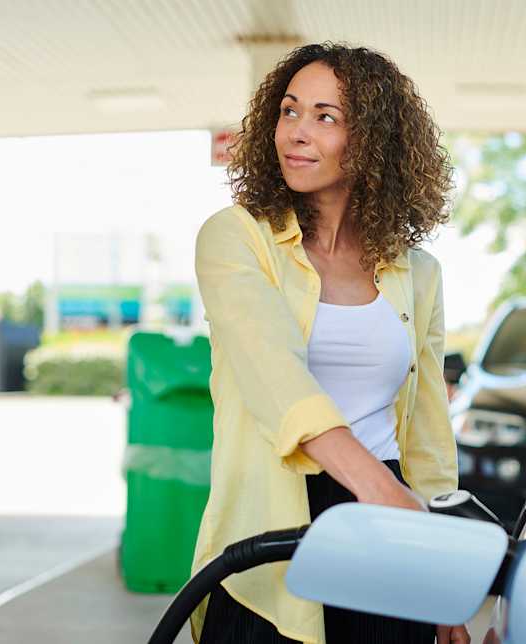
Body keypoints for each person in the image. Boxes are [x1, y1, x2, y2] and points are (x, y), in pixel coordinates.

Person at [190, 43, 468, 644]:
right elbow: (273, 373)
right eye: (289, 112)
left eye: (326, 117)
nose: (296, 132)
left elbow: (427, 436)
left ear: (372, 140)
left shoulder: (417, 274)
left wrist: (445, 578)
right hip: (272, 528)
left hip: (387, 534)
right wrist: (376, 487)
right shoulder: (236, 239)